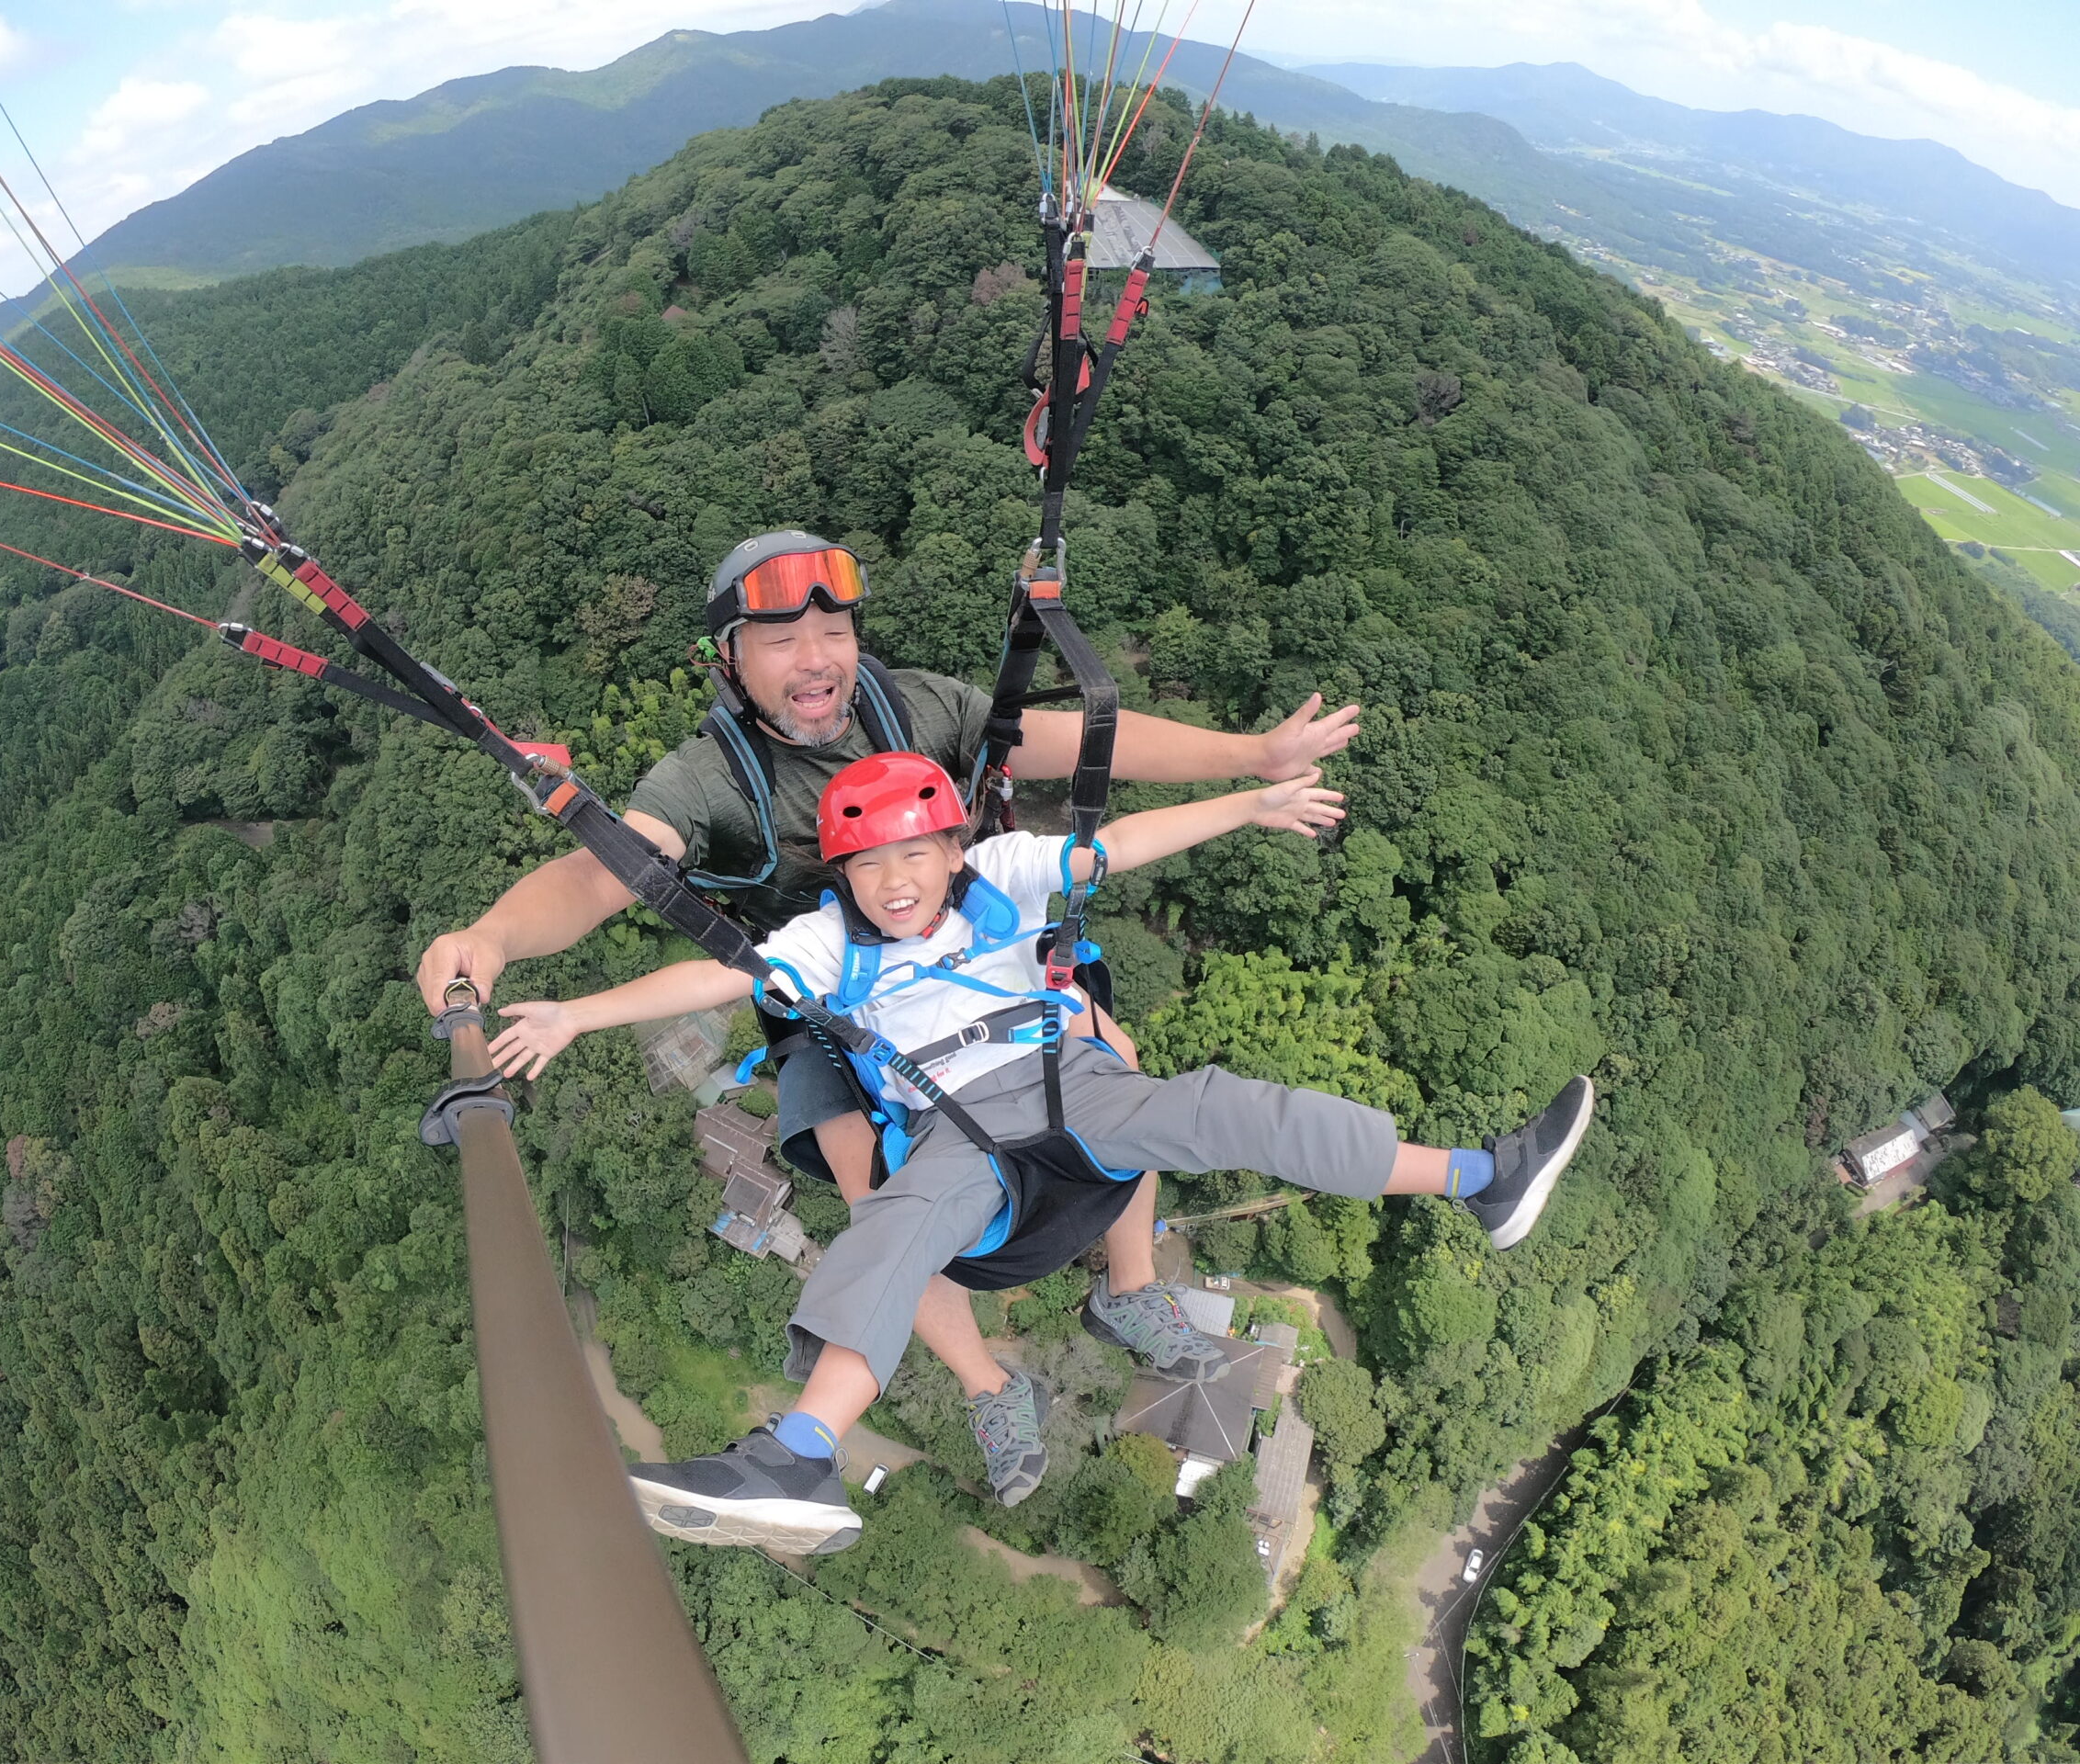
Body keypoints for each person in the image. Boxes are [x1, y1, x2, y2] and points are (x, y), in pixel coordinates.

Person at [414, 531, 1364, 1491]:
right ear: (730, 661)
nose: (816, 657)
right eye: (779, 640)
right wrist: (494, 937)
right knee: (878, 1199)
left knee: (1107, 1060)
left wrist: (1255, 756)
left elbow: (1082, 744)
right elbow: (602, 871)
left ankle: (1130, 1288)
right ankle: (989, 1384)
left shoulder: (910, 703)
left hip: (970, 948)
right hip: (825, 997)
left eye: (831, 629)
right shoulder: (709, 778)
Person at [485, 752, 1595, 1555]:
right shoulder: (827, 943)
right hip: (960, 1131)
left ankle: (1478, 1178)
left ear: (953, 846)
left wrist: (1250, 802)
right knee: (897, 1223)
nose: (899, 882)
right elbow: (718, 977)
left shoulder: (1005, 874)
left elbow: (1118, 845)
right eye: (872, 866)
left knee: (1227, 1109)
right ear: (844, 876)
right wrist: (577, 1014)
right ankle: (798, 1455)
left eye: (918, 853)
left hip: (1074, 1085)